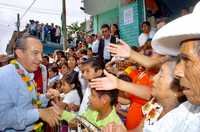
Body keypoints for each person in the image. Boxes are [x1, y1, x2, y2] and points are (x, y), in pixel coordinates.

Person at [0, 35, 60, 131]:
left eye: (41, 53)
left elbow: (30, 103)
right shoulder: (4, 76)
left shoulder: (28, 75)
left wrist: (46, 97)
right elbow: (2, 118)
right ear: (19, 53)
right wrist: (39, 113)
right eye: (35, 53)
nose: (40, 59)